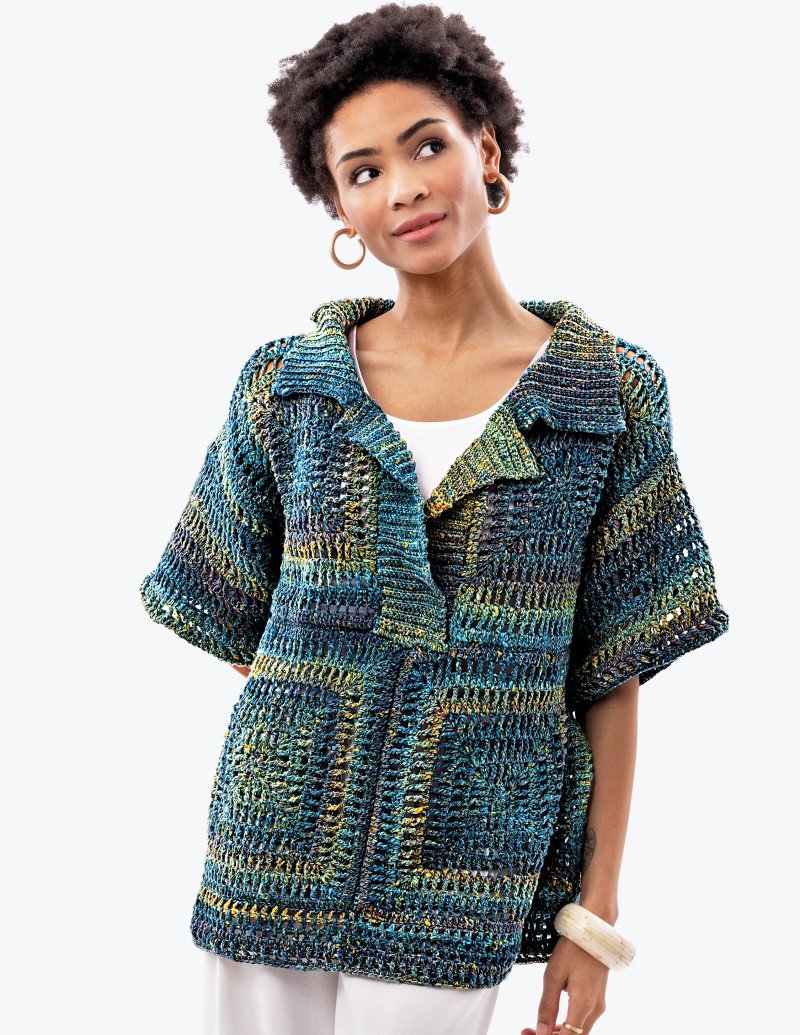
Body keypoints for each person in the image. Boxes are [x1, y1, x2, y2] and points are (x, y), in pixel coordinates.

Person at [139, 5, 730, 1035]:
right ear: (338, 206)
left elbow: (612, 666)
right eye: (363, 171)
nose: (403, 187)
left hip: (466, 862)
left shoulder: (603, 392)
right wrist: (332, 712)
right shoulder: (290, 387)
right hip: (269, 851)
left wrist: (594, 918)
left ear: (484, 150)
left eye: (425, 146)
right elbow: (234, 613)